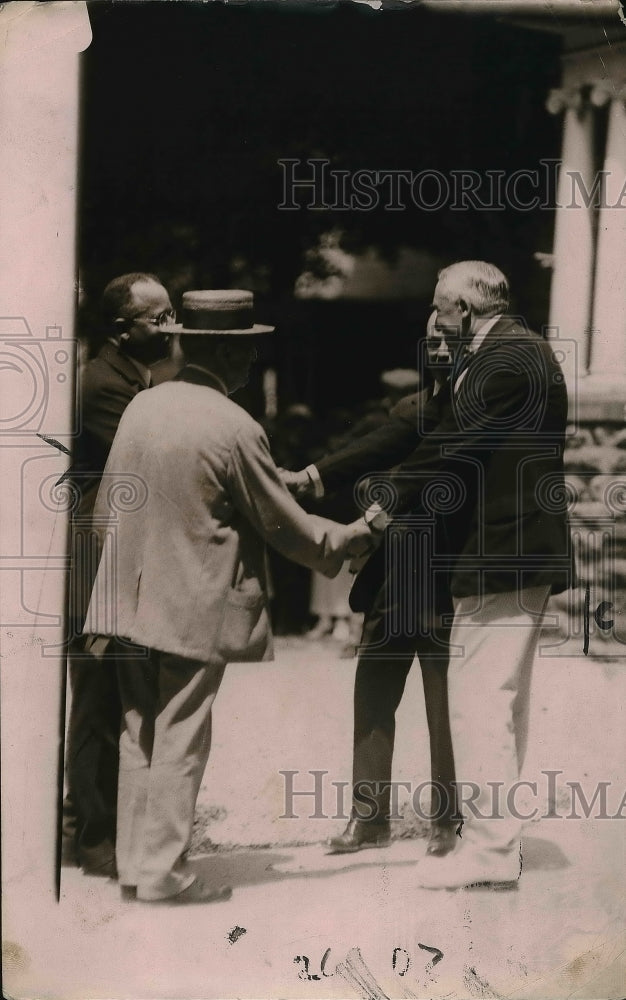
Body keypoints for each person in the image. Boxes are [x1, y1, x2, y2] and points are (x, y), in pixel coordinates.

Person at [284, 261, 573, 887]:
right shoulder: (511, 352)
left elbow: (448, 450)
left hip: (502, 552)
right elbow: (425, 440)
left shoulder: (506, 359)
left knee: (479, 703)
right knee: (496, 702)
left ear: (462, 309)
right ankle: (492, 844)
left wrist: (373, 518)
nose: (434, 324)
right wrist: (324, 480)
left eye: (439, 310)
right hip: (509, 553)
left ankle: (488, 852)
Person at [83, 289, 373, 904]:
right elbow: (281, 524)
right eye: (248, 349)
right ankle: (164, 875)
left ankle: (136, 867)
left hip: (124, 599)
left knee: (138, 733)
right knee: (181, 736)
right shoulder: (235, 425)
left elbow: (107, 504)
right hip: (190, 605)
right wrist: (348, 538)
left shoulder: (144, 405)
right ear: (228, 353)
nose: (253, 360)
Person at [283, 313, 459, 857]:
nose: (440, 347)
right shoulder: (411, 411)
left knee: (444, 702)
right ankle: (368, 818)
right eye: (432, 338)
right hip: (393, 574)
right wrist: (311, 477)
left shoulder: (481, 411)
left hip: (447, 576)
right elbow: (373, 449)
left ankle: (448, 822)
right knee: (374, 692)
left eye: (449, 337)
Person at [64, 272, 174, 875]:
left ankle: (84, 825)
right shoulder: (105, 385)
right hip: (97, 556)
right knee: (97, 696)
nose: (171, 327)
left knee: (107, 694)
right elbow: (148, 461)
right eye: (159, 319)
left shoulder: (133, 378)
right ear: (121, 329)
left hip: (114, 551)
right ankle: (91, 840)